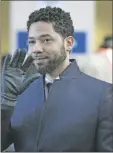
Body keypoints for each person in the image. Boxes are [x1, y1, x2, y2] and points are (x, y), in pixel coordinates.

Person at [1, 6, 113, 152]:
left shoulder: (103, 94)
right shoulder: (18, 93)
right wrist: (6, 103)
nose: (36, 49)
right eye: (31, 42)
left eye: (46, 40)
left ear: (69, 43)